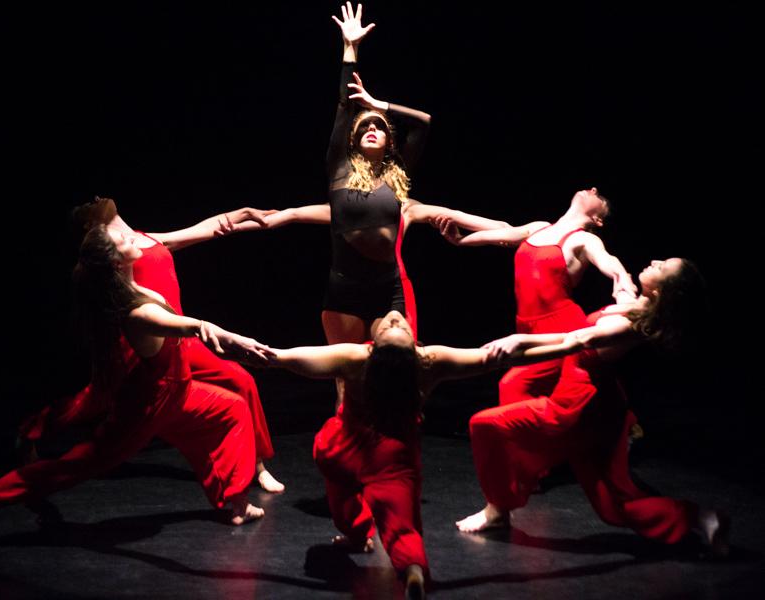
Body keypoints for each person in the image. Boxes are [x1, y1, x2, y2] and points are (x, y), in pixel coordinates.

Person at [0, 225, 271, 544]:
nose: (130, 236)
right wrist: (233, 339)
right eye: (122, 239)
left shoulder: (139, 290)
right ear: (117, 263)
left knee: (234, 408)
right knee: (78, 465)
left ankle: (236, 503)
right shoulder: (136, 311)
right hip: (148, 406)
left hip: (180, 390)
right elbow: (195, 327)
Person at [227, 2, 508, 346]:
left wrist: (377, 104)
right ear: (354, 140)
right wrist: (350, 49)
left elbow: (424, 123)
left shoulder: (396, 175)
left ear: (390, 140)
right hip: (344, 288)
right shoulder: (340, 170)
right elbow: (346, 106)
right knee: (347, 382)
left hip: (388, 290)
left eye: (379, 126)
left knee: (393, 370)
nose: (372, 127)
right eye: (365, 127)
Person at [266, 308, 579, 598]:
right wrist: (570, 344)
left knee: (343, 504)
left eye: (394, 324)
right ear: (414, 346)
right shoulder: (427, 362)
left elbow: (281, 358)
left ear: (373, 347)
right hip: (393, 457)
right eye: (397, 324)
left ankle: (358, 535)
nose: (395, 317)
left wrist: (234, 342)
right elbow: (497, 358)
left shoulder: (355, 357)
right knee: (402, 525)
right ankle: (411, 569)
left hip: (342, 448)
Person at [457, 258, 730, 558]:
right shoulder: (637, 304)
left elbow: (574, 340)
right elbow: (620, 285)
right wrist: (618, 276)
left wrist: (519, 342)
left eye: (662, 266)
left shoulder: (631, 325)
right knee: (614, 507)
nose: (655, 261)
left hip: (576, 407)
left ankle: (497, 509)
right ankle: (702, 516)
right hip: (601, 407)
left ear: (663, 291)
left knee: (485, 425)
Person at [21, 197, 286, 492]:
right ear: (88, 222)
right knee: (93, 401)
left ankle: (258, 464)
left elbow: (206, 228)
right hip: (146, 344)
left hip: (179, 339)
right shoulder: (112, 251)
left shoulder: (144, 239)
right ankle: (32, 431)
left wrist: (244, 214)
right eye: (90, 202)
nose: (98, 197)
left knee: (242, 381)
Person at [432, 187, 637, 406]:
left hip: (560, 327)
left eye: (600, 196)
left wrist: (623, 281)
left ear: (598, 220)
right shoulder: (539, 228)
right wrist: (461, 241)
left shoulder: (585, 240)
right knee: (541, 396)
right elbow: (500, 235)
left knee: (513, 388)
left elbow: (609, 261)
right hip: (525, 326)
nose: (593, 189)